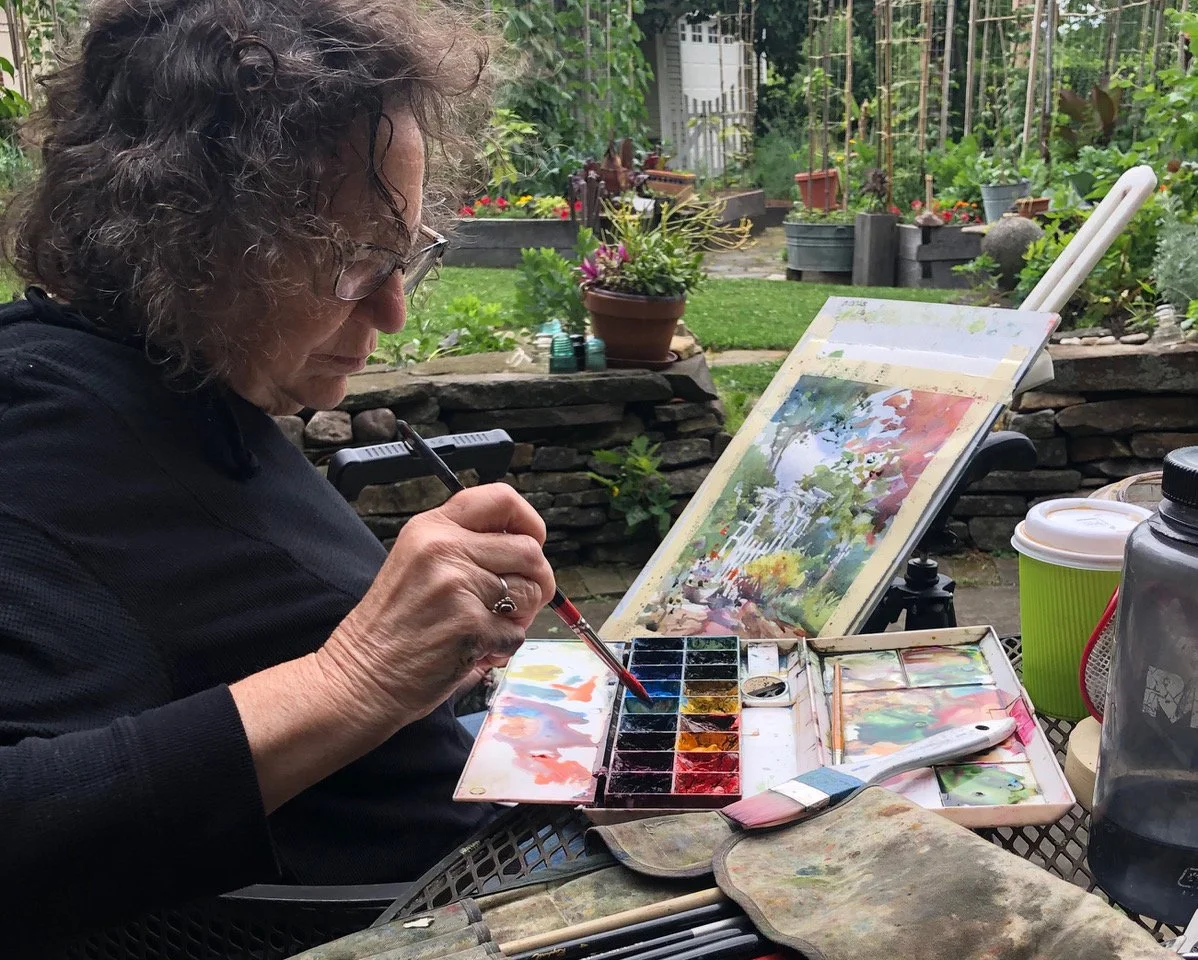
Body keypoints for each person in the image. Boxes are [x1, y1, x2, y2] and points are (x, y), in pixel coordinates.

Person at [0, 0, 555, 950]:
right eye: (356, 260)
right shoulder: (43, 433)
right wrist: (356, 675)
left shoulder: (183, 386)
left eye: (406, 257)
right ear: (189, 236)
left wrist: (436, 668)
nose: (392, 313)